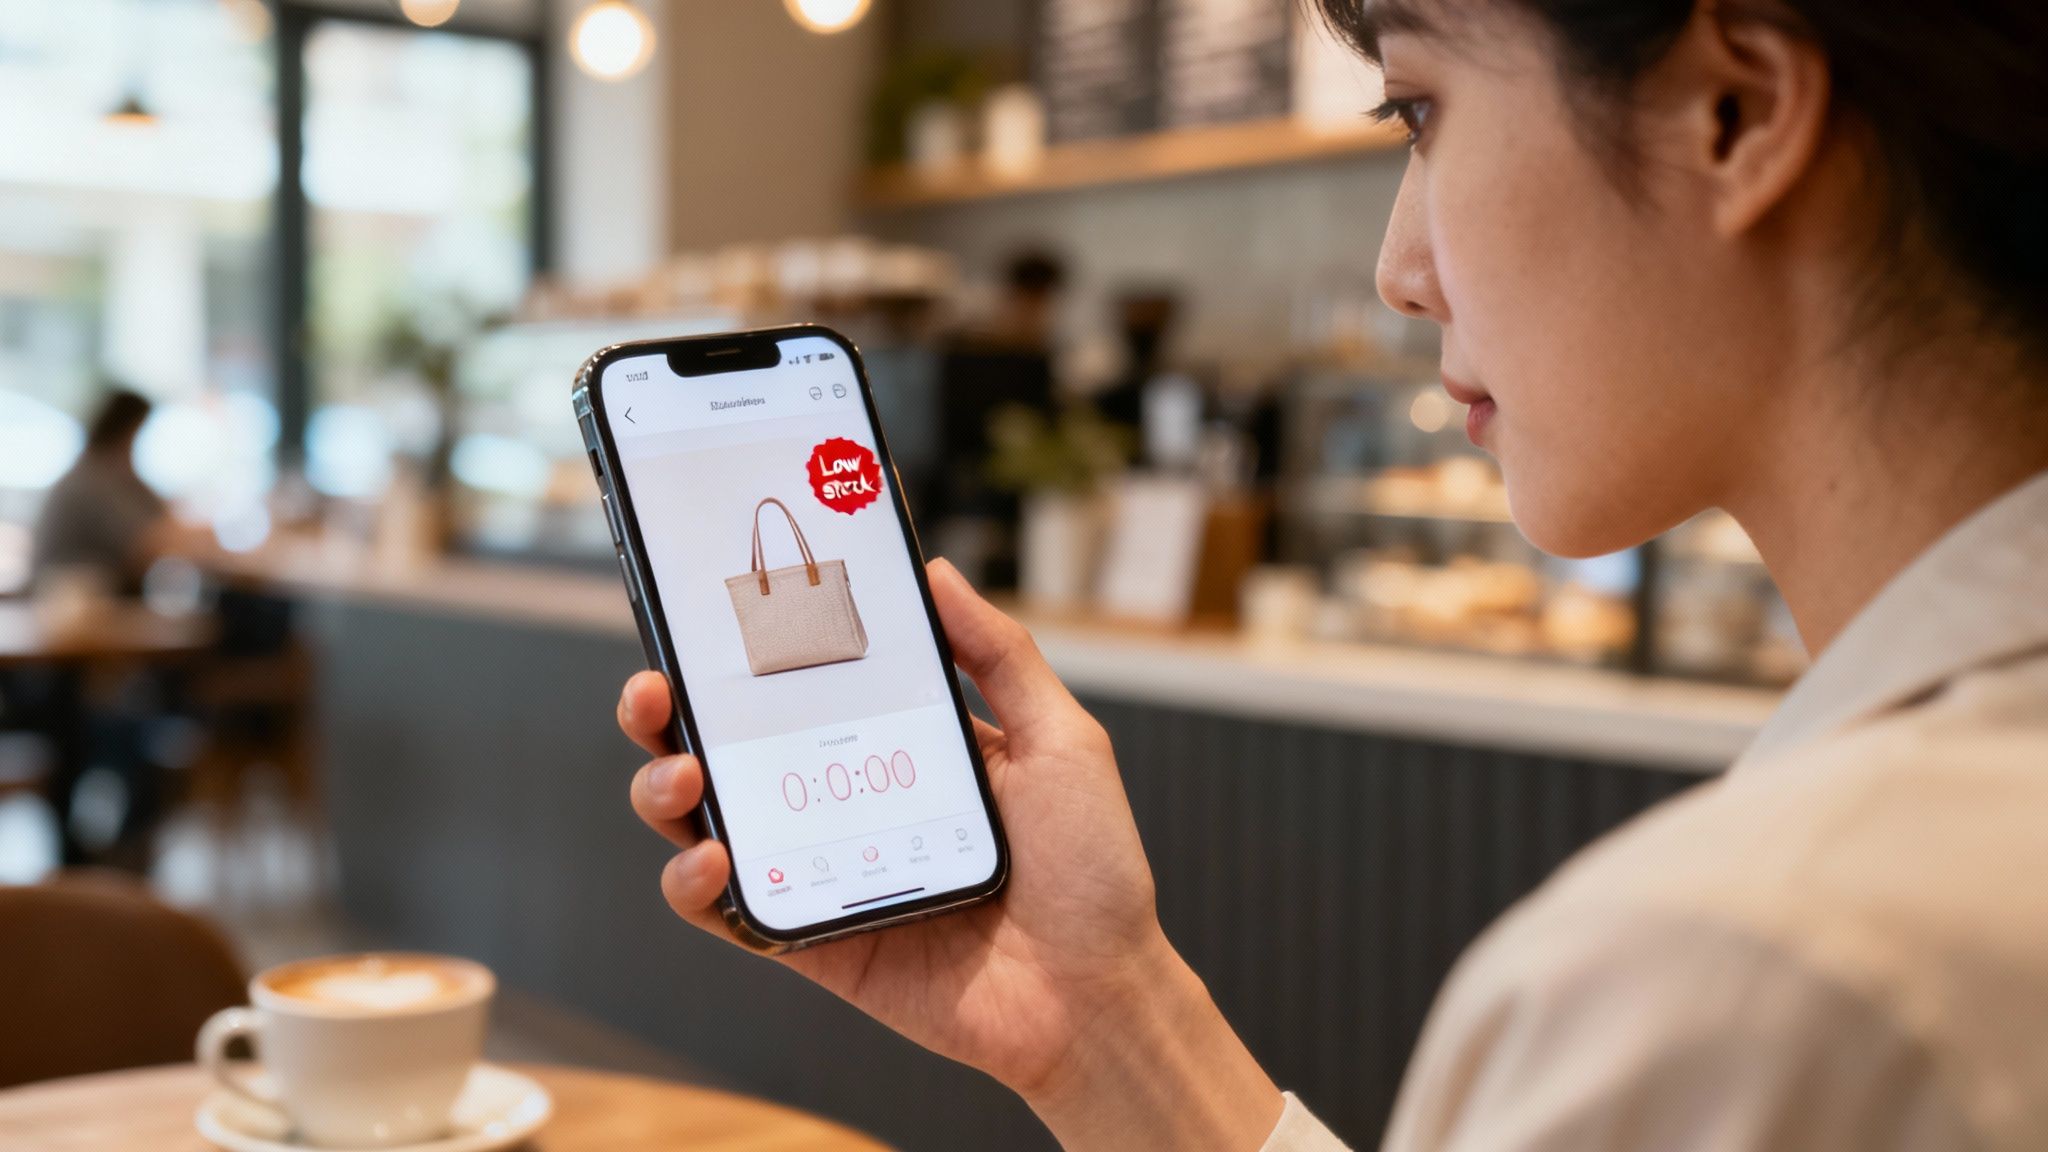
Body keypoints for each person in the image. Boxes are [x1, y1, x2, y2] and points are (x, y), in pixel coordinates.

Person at [616, 1, 2048, 1148]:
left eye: (1421, 111)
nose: (1397, 267)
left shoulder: (1754, 976)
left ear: (1734, 113)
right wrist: (1105, 1020)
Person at [30, 389, 176, 598]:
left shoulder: (119, 475)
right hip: (68, 599)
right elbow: (144, 545)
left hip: (95, 593)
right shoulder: (92, 476)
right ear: (126, 430)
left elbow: (161, 520)